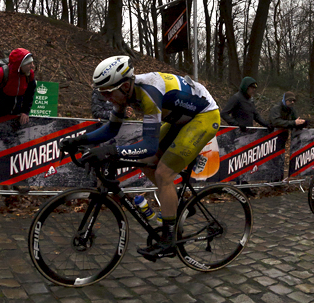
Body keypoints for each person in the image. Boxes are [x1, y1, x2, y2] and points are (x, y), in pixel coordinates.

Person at [60, 56, 221, 259]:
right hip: (180, 118)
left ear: (126, 86)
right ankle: (180, 206)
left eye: (109, 93)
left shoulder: (149, 92)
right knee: (145, 163)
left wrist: (111, 151)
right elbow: (111, 129)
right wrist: (78, 140)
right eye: (102, 94)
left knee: (163, 173)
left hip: (204, 116)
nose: (107, 99)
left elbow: (149, 145)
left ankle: (169, 239)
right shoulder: (124, 94)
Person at [0, 48, 37, 127]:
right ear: (20, 65)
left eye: (32, 63)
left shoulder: (29, 74)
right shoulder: (0, 74)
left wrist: (25, 111)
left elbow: (30, 93)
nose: (32, 66)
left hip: (16, 114)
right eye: (29, 64)